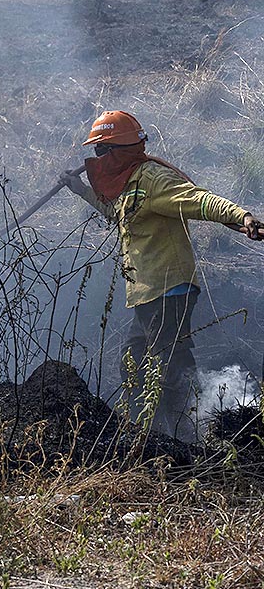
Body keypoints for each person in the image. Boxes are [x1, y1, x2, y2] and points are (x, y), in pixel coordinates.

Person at [59, 109, 262, 436]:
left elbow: (198, 200)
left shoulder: (153, 178)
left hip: (169, 289)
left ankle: (194, 435)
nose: (96, 158)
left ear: (117, 151)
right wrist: (80, 188)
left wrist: (243, 216)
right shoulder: (129, 181)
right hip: (148, 293)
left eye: (100, 151)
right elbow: (118, 213)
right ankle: (151, 436)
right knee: (135, 362)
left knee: (170, 366)